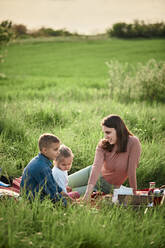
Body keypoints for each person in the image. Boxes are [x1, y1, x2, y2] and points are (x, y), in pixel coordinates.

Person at [68, 114, 141, 200]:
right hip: (91, 173)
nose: (105, 136)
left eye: (108, 132)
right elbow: (96, 167)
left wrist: (134, 193)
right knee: (60, 183)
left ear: (118, 130)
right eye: (104, 132)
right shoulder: (103, 144)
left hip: (103, 187)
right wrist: (88, 192)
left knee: (66, 194)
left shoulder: (133, 142)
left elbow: (131, 170)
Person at [20, 133, 67, 205]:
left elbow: (52, 183)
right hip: (33, 201)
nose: (58, 152)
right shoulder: (42, 168)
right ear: (45, 150)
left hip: (30, 194)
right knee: (74, 196)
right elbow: (53, 195)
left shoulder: (39, 160)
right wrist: (68, 204)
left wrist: (63, 193)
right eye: (55, 150)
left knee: (68, 195)